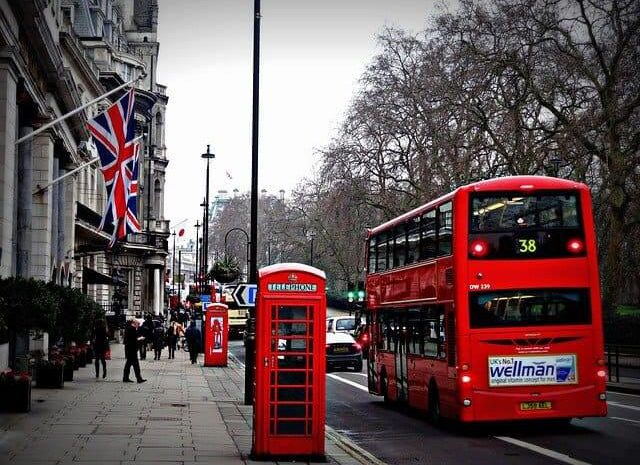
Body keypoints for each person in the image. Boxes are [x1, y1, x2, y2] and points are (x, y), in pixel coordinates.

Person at [123, 318, 146, 383]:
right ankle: (139, 378)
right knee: (136, 364)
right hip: (132, 349)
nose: (138, 325)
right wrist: (140, 338)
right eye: (137, 324)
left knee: (128, 364)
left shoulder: (128, 328)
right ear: (134, 323)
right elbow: (133, 340)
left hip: (129, 349)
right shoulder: (132, 329)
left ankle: (126, 377)